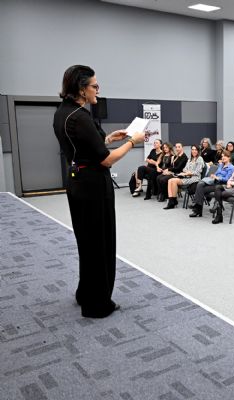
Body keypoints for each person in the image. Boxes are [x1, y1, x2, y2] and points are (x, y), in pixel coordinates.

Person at [53, 65, 145, 318]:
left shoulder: (64, 113)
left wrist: (108, 139)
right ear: (81, 89)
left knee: (88, 242)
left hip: (78, 181)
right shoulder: (81, 117)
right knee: (100, 244)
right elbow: (106, 160)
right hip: (93, 186)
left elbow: (84, 148)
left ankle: (86, 293)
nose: (98, 89)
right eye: (94, 86)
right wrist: (132, 141)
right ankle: (97, 304)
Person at [188, 150, 234, 217]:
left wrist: (218, 178)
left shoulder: (231, 167)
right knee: (200, 184)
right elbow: (216, 173)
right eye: (222, 156)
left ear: (229, 157)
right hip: (214, 182)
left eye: (225, 156)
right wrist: (213, 175)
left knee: (200, 188)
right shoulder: (221, 165)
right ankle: (197, 208)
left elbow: (227, 179)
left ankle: (197, 209)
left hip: (221, 185)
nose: (223, 157)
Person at [163, 145, 204, 210]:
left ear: (198, 151)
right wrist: (186, 173)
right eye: (192, 149)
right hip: (187, 177)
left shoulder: (200, 159)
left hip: (195, 178)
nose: (194, 151)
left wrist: (189, 173)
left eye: (195, 150)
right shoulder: (190, 159)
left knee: (174, 181)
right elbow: (184, 169)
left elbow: (198, 171)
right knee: (170, 180)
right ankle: (172, 201)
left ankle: (173, 202)